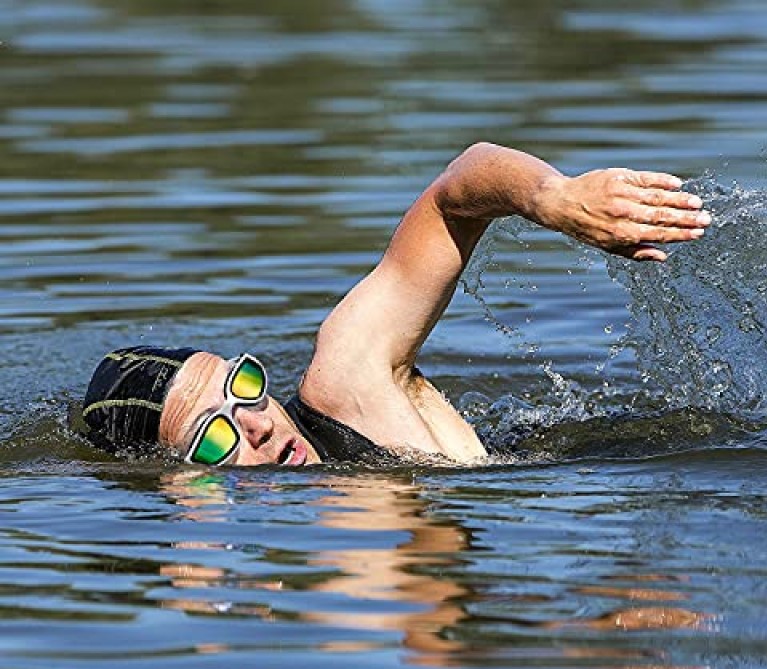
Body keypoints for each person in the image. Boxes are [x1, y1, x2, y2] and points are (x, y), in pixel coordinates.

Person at [79, 142, 711, 467]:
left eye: (245, 387)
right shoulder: (333, 580)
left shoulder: (349, 380)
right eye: (213, 437)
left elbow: (459, 185)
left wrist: (554, 198)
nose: (259, 423)